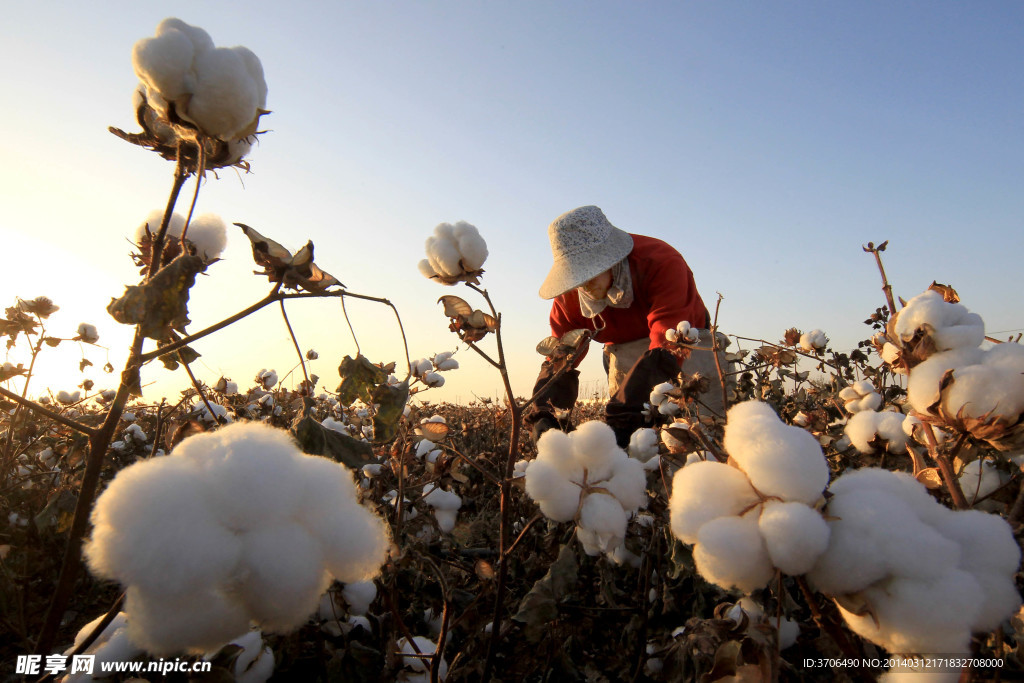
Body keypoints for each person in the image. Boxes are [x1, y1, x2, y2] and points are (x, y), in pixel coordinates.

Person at [526, 205, 726, 448]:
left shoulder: (659, 262)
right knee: (638, 451)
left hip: (686, 349)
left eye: (591, 272)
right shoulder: (569, 299)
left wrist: (626, 411)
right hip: (624, 354)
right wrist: (544, 413)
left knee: (701, 434)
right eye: (578, 277)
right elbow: (562, 356)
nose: (585, 285)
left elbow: (668, 337)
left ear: (612, 258)